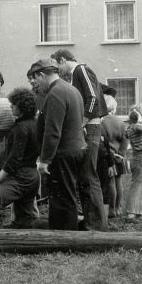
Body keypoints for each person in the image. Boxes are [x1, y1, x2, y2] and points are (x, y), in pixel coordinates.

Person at [51, 49, 108, 231]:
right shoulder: (75, 75)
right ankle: (92, 222)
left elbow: (92, 98)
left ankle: (97, 226)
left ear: (62, 60)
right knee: (85, 177)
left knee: (89, 177)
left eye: (57, 66)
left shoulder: (80, 70)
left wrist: (80, 123)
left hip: (90, 127)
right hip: (89, 127)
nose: (58, 71)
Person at [27, 59, 86, 230]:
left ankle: (65, 238)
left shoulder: (55, 93)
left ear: (42, 75)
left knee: (62, 198)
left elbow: (53, 131)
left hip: (64, 153)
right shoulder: (70, 89)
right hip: (75, 150)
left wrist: (45, 160)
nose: (35, 85)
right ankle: (62, 230)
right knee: (66, 195)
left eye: (35, 79)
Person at [0, 87, 40, 229]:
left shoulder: (21, 128)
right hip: (32, 176)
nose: (10, 106)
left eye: (13, 104)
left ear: (22, 107)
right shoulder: (33, 125)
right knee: (24, 220)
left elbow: (13, 161)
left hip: (21, 178)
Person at [99, 94, 128, 218]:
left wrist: (111, 154)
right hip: (119, 157)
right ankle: (118, 208)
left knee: (110, 183)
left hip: (108, 157)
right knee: (119, 182)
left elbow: (103, 141)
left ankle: (111, 209)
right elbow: (125, 139)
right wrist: (121, 154)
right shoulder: (121, 123)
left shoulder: (102, 122)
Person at [124, 103, 142, 222]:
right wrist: (139, 117)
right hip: (140, 157)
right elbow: (140, 128)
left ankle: (140, 211)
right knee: (137, 185)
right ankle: (131, 213)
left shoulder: (130, 127)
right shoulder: (136, 127)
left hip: (141, 157)